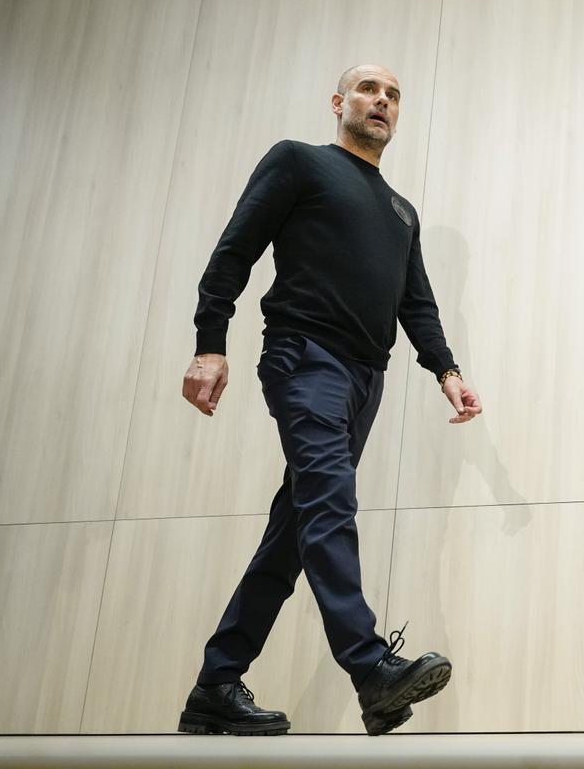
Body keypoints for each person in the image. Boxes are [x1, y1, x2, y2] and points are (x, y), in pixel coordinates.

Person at [177, 64, 482, 737]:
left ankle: (216, 686)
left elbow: (417, 303)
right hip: (304, 358)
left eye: (394, 95)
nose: (383, 101)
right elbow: (234, 251)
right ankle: (370, 667)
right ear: (340, 102)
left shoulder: (402, 211)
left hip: (364, 381)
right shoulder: (299, 164)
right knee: (330, 505)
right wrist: (210, 343)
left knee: (295, 532)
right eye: (370, 89)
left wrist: (446, 369)